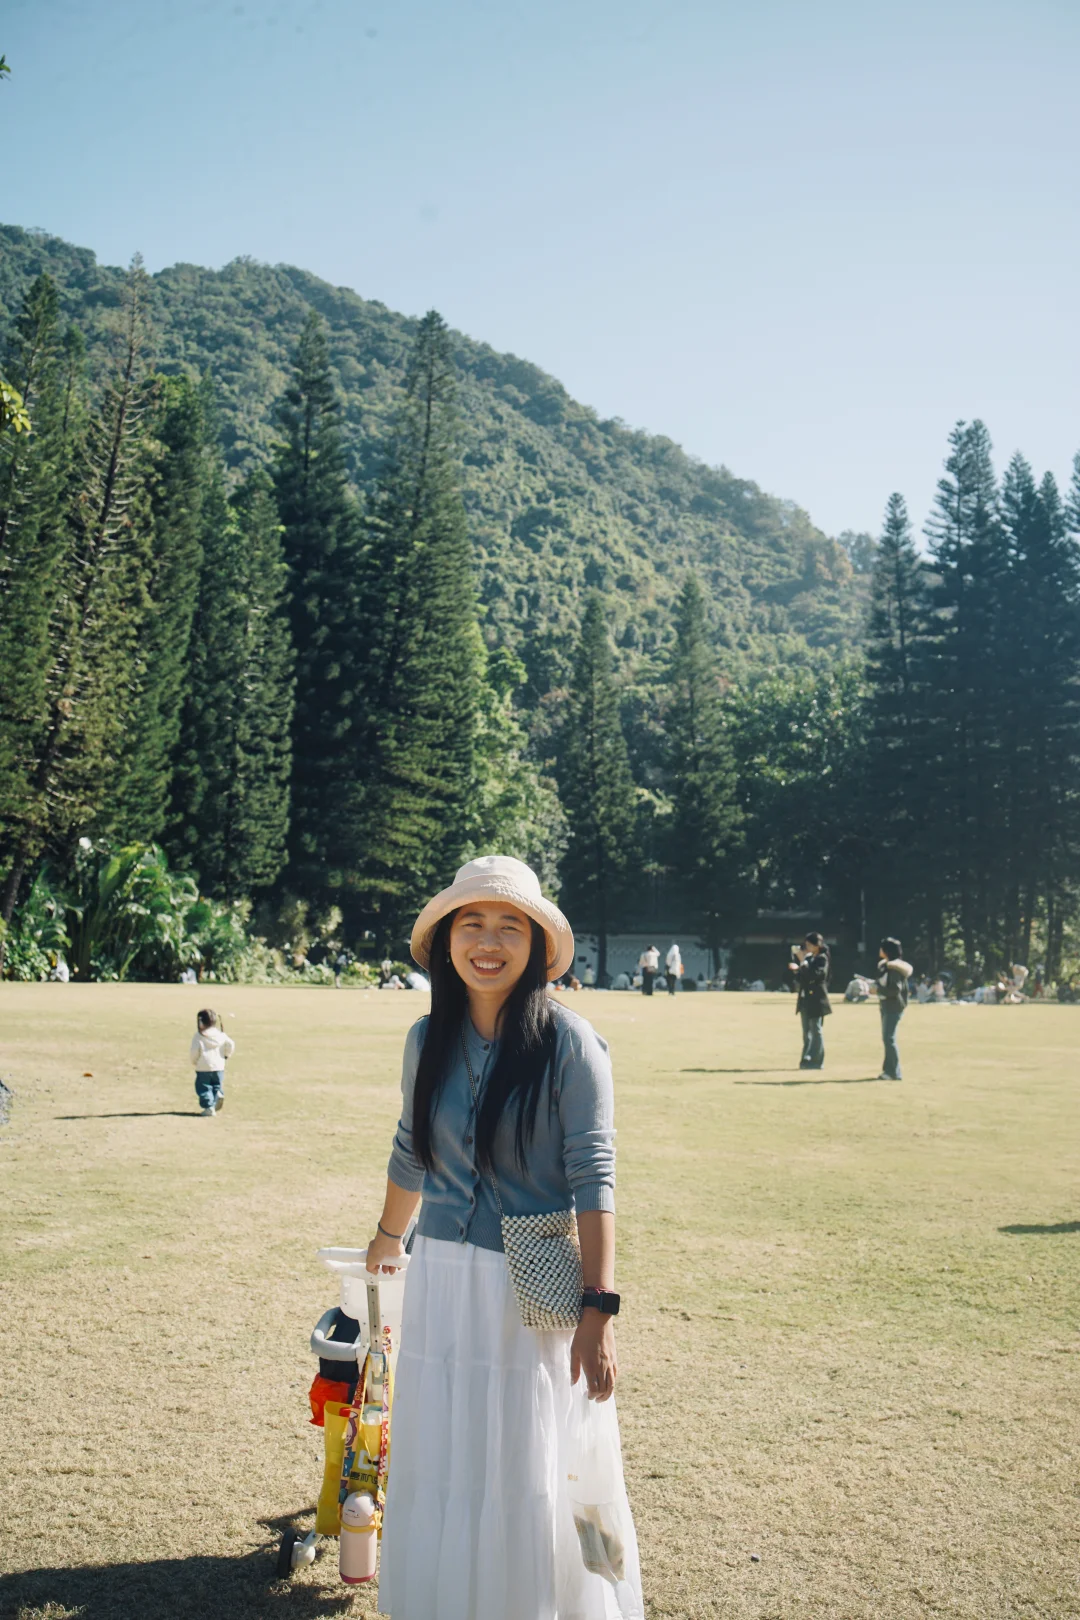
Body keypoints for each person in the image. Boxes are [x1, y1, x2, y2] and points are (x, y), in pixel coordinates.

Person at [364, 854, 642, 1619]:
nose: (488, 942)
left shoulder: (570, 1044)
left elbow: (595, 1177)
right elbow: (408, 1148)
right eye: (472, 924)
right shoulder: (426, 1038)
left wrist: (600, 1309)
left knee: (535, 1466)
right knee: (448, 1458)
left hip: (531, 1290)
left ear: (536, 945)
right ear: (448, 940)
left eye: (508, 927)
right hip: (441, 1279)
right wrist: (388, 1236)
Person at [788, 933, 831, 1069]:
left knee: (816, 1030)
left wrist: (802, 964)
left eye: (808, 945)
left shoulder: (822, 959)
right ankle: (806, 1058)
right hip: (805, 998)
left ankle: (817, 1060)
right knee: (807, 1032)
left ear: (816, 945)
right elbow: (802, 978)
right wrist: (797, 970)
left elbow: (816, 975)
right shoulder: (809, 958)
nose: (806, 948)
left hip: (817, 999)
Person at [876, 937, 913, 1081]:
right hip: (886, 1005)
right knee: (887, 1038)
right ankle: (888, 1070)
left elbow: (894, 990)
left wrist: (878, 991)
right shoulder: (885, 966)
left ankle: (894, 1072)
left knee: (888, 1038)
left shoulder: (894, 968)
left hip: (893, 1005)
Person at [189, 1008, 234, 1117]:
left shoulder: (199, 1036)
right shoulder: (221, 1035)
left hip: (203, 1067)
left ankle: (209, 1107)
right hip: (219, 1066)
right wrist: (227, 1055)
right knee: (216, 1084)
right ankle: (218, 1094)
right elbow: (231, 1044)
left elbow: (194, 1052)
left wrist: (194, 1061)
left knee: (204, 1087)